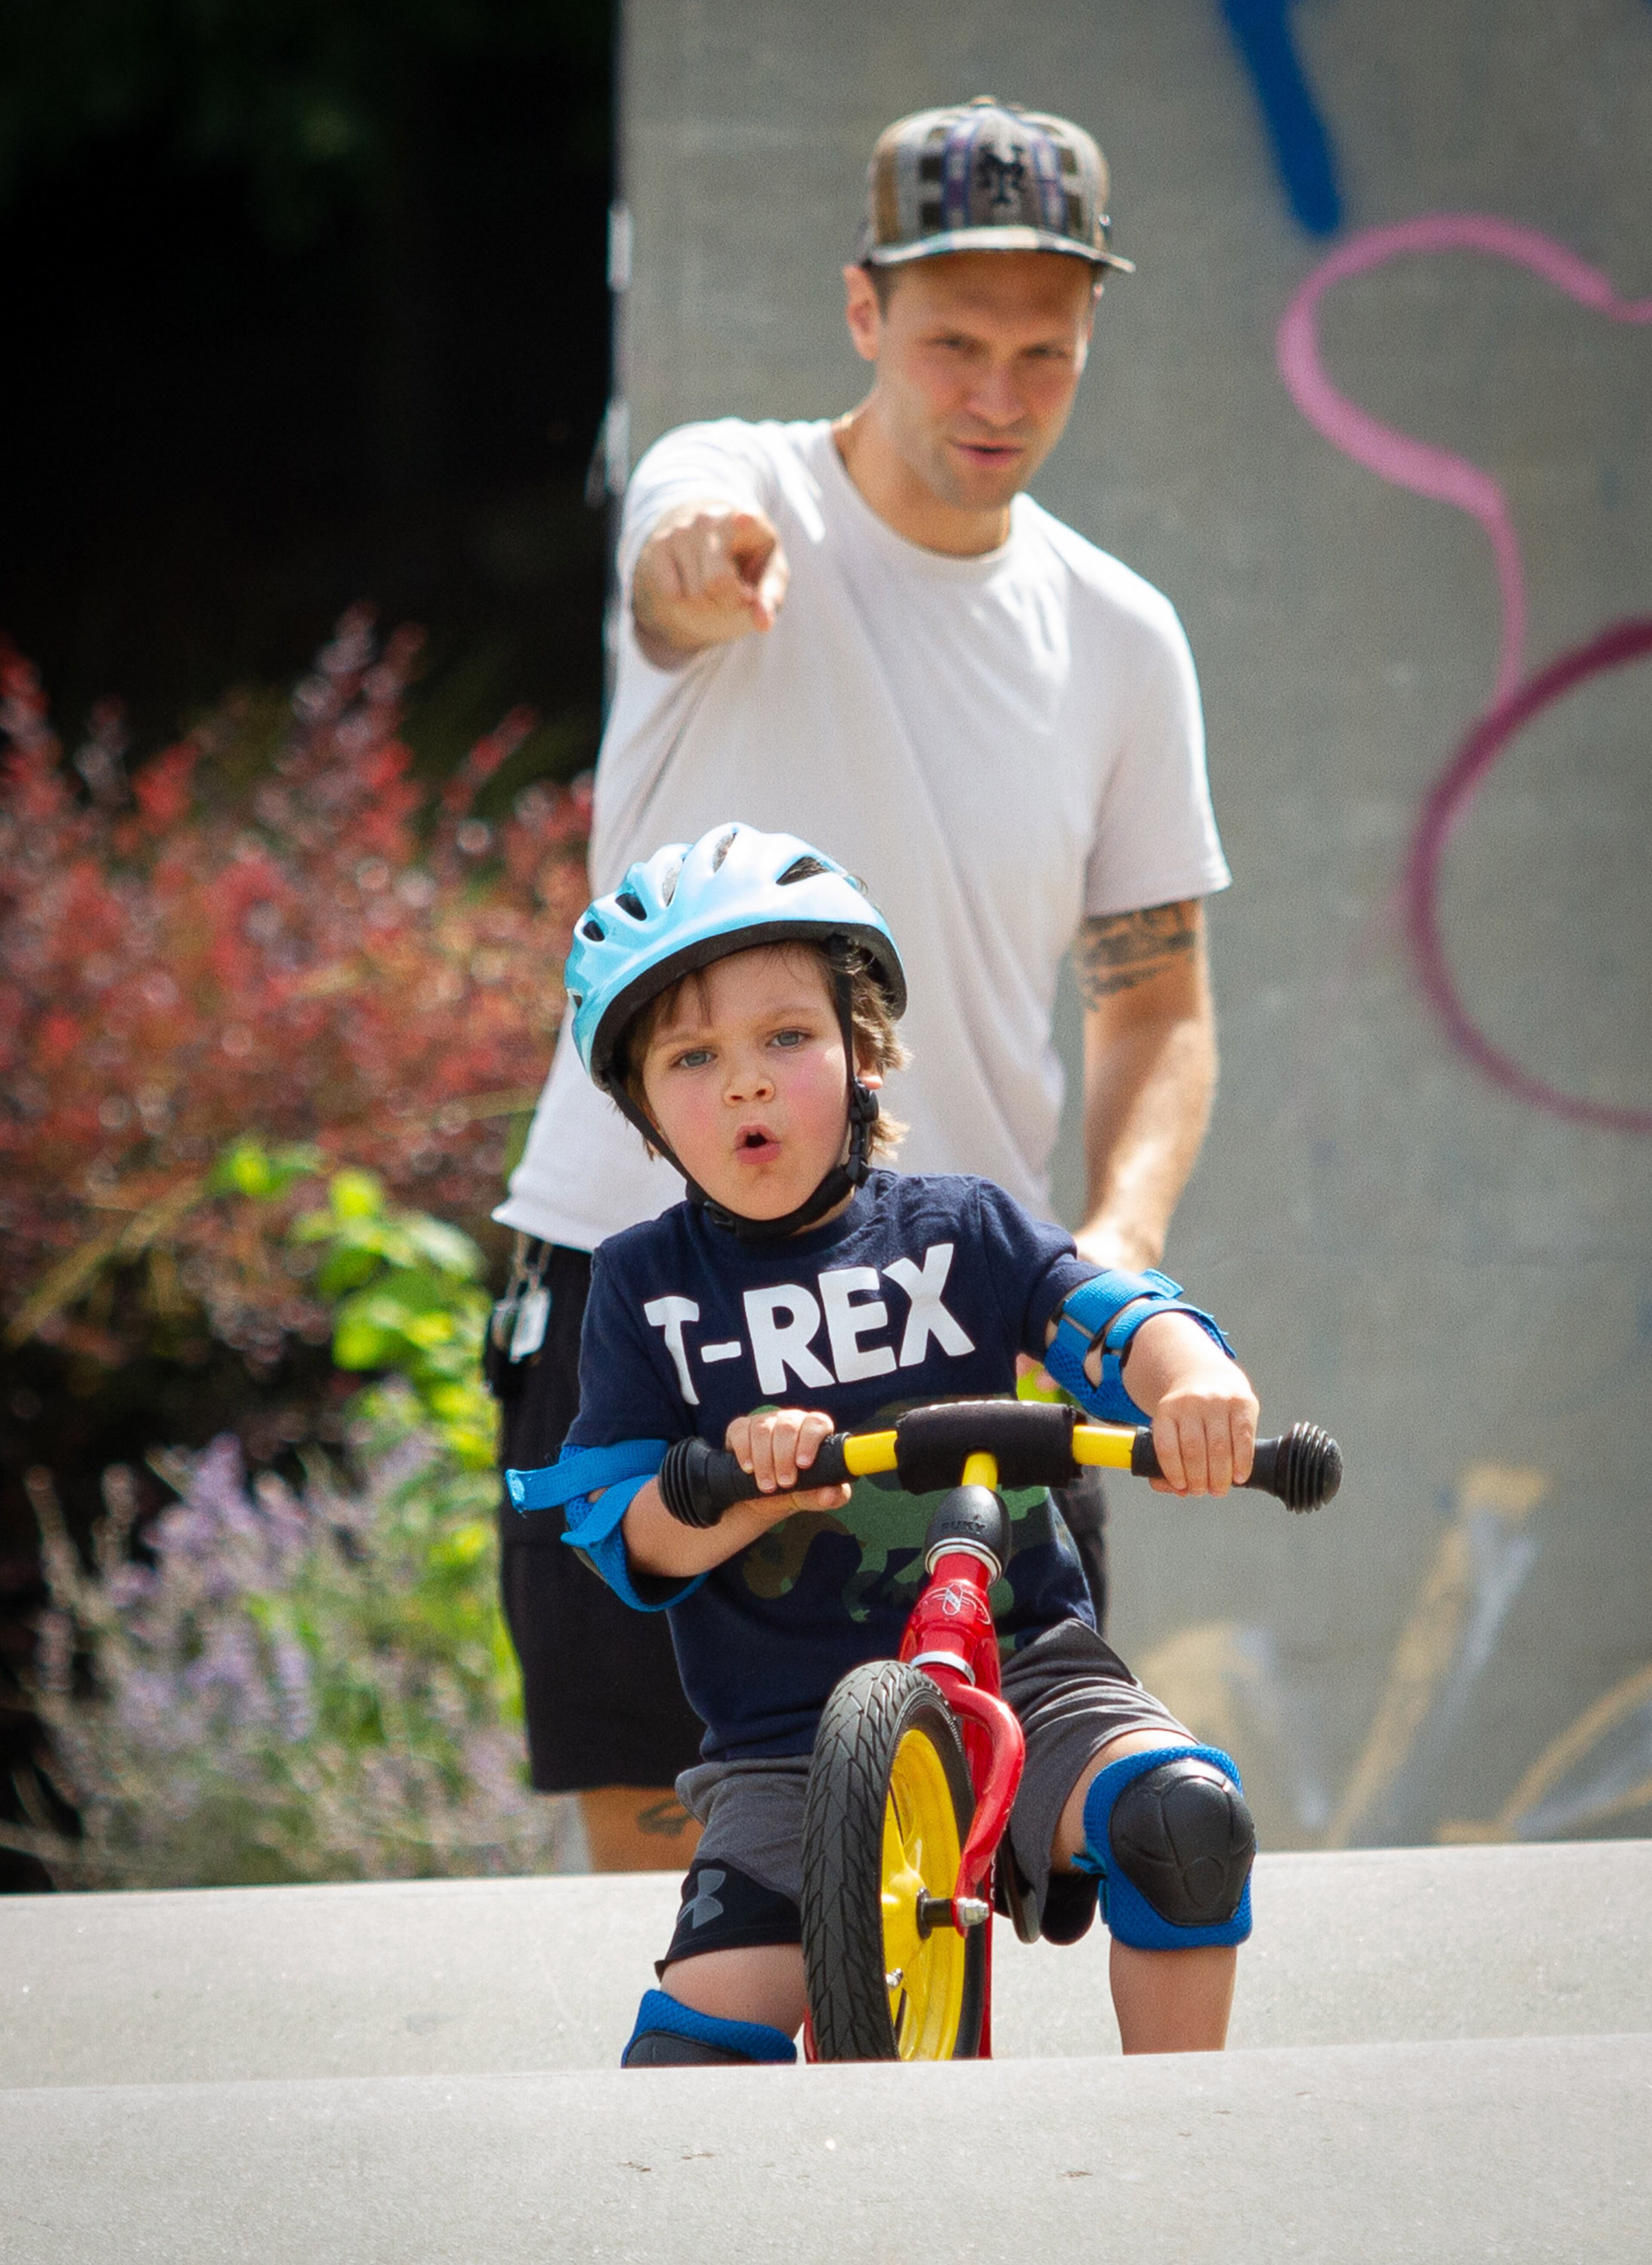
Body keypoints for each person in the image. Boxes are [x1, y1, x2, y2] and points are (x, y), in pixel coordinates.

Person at [493, 97, 1231, 1870]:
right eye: (953, 343)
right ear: (863, 315)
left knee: (990, 1855)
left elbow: (1157, 1000)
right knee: (693, 1858)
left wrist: (1116, 1256)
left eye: (1044, 353)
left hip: (956, 1320)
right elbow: (680, 557)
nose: (997, 395)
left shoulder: (1120, 636)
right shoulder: (735, 492)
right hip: (651, 1290)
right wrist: (691, 576)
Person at [510, 825, 1260, 2063]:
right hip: (786, 1748)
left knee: (1180, 1820)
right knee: (694, 2050)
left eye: (786, 1037)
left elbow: (1111, 1320)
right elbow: (622, 1529)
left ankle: (1175, 2148)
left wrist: (1194, 1378)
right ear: (643, 1109)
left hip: (1029, 1671)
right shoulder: (645, 1287)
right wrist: (744, 1491)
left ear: (864, 1056)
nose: (746, 1082)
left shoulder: (958, 1229)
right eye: (694, 1056)